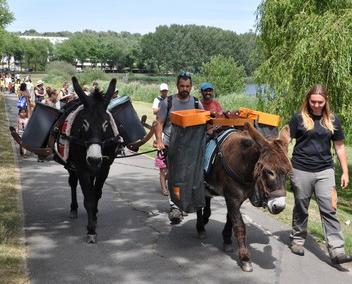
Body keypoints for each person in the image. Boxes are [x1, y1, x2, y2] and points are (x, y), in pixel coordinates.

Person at [288, 84, 351, 266]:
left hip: (325, 170)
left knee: (329, 209)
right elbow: (285, 141)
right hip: (300, 169)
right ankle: (297, 239)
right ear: (308, 100)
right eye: (313, 101)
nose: (316, 105)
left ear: (326, 101)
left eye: (320, 102)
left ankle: (337, 250)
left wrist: (345, 172)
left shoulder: (333, 120)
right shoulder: (298, 119)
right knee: (301, 207)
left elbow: (339, 146)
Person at [154, 71, 203, 223]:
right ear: (177, 86)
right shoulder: (167, 102)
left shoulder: (196, 103)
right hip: (171, 145)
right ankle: (175, 206)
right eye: (182, 86)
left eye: (187, 86)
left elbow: (203, 123)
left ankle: (184, 203)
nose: (184, 89)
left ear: (191, 86)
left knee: (188, 177)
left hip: (191, 148)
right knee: (173, 176)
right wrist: (160, 141)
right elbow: (159, 124)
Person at [152, 83, 169, 196]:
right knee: (162, 166)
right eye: (163, 91)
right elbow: (154, 111)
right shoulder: (157, 100)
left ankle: (167, 182)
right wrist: (163, 107)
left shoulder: (170, 101)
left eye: (165, 91)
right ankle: (164, 188)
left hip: (168, 132)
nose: (164, 93)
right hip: (160, 132)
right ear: (160, 91)